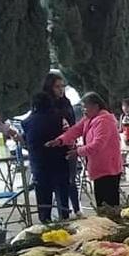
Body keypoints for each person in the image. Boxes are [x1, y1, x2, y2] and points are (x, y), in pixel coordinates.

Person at [46, 92, 122, 208]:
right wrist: (60, 140)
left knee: (109, 205)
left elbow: (98, 144)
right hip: (99, 168)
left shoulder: (104, 120)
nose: (83, 110)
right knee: (102, 204)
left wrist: (77, 152)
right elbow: (75, 130)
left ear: (96, 106)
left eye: (85, 107)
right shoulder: (89, 118)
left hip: (108, 169)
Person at [22, 94, 70, 222]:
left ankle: (45, 223)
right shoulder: (59, 117)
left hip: (39, 164)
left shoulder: (26, 122)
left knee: (43, 198)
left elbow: (26, 142)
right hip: (60, 161)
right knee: (62, 195)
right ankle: (65, 219)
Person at [42, 72, 81, 217]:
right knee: (59, 183)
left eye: (62, 86)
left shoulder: (66, 102)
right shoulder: (47, 105)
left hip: (69, 144)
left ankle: (76, 209)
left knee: (71, 179)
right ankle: (61, 213)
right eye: (57, 87)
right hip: (54, 147)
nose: (60, 90)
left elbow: (73, 123)